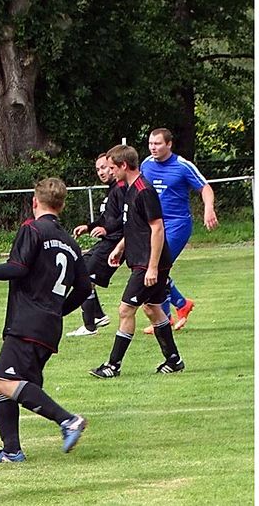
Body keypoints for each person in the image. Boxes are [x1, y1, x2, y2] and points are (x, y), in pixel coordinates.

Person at [0, 177, 90, 464]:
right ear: (62, 205)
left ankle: (68, 420)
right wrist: (57, 310)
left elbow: (17, 268)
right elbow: (84, 288)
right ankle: (12, 451)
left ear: (35, 202)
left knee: (5, 381)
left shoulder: (32, 229)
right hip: (47, 325)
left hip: (27, 322)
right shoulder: (70, 243)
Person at [90, 145, 185, 378]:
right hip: (140, 259)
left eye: (112, 167)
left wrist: (152, 267)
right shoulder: (129, 189)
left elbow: (157, 228)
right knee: (152, 308)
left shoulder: (144, 190)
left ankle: (113, 365)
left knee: (125, 309)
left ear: (124, 165)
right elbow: (135, 226)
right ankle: (174, 360)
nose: (110, 172)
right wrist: (120, 247)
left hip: (148, 262)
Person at [140, 128, 218, 334]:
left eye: (157, 144)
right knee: (154, 267)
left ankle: (166, 317)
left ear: (169, 144)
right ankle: (180, 305)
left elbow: (205, 188)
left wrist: (209, 208)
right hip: (154, 225)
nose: (153, 148)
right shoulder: (146, 164)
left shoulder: (182, 166)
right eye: (150, 144)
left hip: (177, 225)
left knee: (157, 266)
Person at [67, 153, 127, 337]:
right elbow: (106, 218)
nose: (101, 172)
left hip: (116, 243)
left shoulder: (121, 189)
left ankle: (89, 326)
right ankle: (98, 315)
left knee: (85, 279)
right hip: (107, 241)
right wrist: (88, 227)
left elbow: (125, 218)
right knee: (79, 269)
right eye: (98, 169)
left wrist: (106, 230)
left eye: (104, 167)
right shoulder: (112, 190)